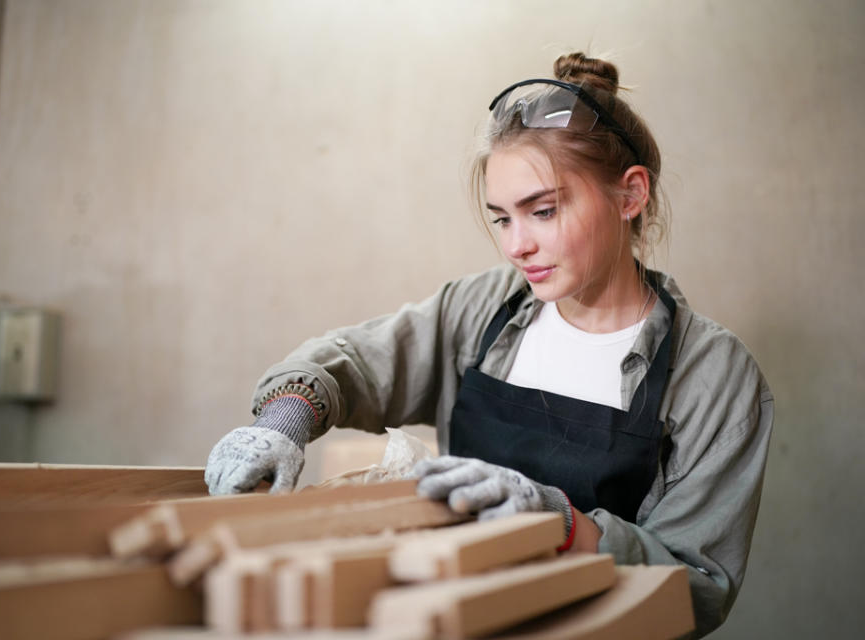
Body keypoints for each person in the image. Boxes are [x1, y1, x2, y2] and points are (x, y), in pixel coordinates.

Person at [204, 52, 773, 637]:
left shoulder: (714, 376)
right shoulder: (480, 312)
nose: (516, 246)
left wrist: (558, 521)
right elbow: (353, 363)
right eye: (501, 218)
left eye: (543, 211)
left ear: (630, 196)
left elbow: (693, 591)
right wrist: (286, 419)